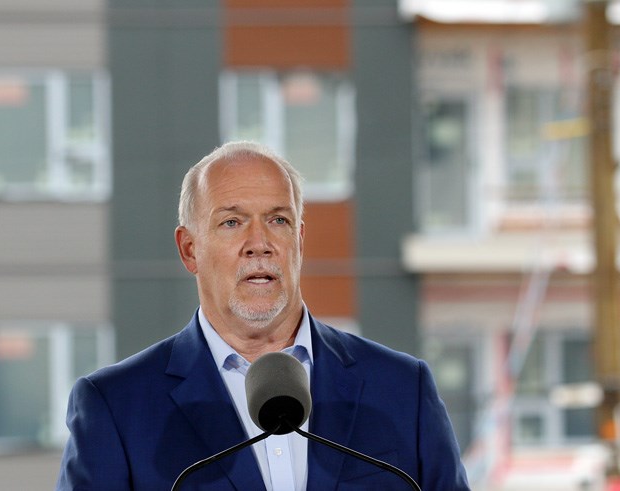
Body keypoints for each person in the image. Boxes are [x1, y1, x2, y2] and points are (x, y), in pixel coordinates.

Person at [55, 141, 470, 490]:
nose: (260, 243)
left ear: (299, 240)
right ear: (189, 250)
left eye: (278, 220)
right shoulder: (115, 407)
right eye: (232, 222)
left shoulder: (402, 389)